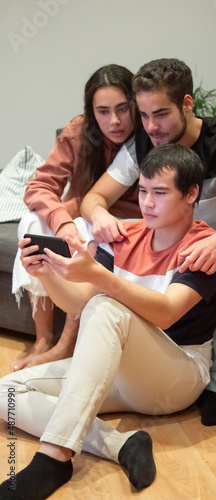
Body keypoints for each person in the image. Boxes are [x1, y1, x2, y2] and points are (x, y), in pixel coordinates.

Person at [0, 144, 216, 499]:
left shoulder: (204, 247)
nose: (147, 202)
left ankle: (54, 458)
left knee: (107, 306)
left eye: (160, 193)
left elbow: (167, 312)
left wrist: (102, 280)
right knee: (7, 393)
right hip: (116, 368)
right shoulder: (124, 234)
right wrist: (45, 275)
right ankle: (120, 444)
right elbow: (77, 303)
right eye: (143, 191)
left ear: (191, 193)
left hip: (176, 376)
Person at [80, 58, 216, 426]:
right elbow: (93, 200)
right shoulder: (143, 142)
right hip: (172, 241)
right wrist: (102, 217)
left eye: (160, 114)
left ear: (187, 104)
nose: (150, 126)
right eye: (143, 115)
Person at [11, 64, 141, 372]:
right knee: (30, 223)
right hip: (82, 219)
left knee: (91, 240)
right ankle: (43, 338)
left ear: (136, 105)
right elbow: (40, 187)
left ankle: (66, 343)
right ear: (90, 111)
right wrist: (64, 219)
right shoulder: (78, 133)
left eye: (123, 109)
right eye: (103, 111)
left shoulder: (147, 138)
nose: (115, 121)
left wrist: (82, 210)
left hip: (124, 225)